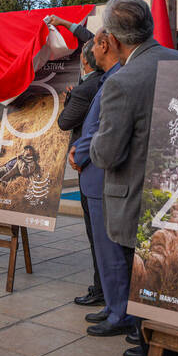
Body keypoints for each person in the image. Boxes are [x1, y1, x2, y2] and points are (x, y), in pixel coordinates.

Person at [89, 0, 178, 356]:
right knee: (176, 293)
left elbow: (108, 153)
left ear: (111, 40)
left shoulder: (122, 81)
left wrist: (94, 141)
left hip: (139, 205)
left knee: (153, 295)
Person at [69, 29, 133, 338]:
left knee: (112, 252)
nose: (90, 50)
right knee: (106, 252)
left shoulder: (117, 78)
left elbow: (100, 131)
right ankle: (112, 304)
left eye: (94, 44)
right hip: (96, 178)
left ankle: (120, 311)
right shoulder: (109, 77)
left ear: (104, 45)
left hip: (102, 174)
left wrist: (79, 154)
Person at [50, 16, 106, 309]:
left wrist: (70, 101)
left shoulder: (86, 88)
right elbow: (91, 37)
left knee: (97, 236)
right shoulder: (107, 77)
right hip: (105, 167)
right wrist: (64, 23)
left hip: (90, 166)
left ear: (85, 63)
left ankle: (102, 289)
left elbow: (64, 122)